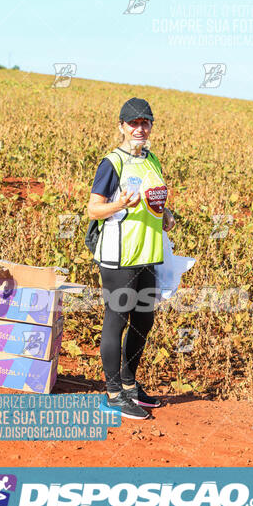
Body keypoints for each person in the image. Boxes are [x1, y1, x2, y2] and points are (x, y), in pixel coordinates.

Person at [87, 97, 175, 420]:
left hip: (148, 254)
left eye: (145, 123)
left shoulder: (152, 161)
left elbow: (155, 201)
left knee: (143, 321)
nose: (140, 128)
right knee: (117, 319)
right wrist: (118, 204)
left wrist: (166, 215)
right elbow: (93, 208)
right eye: (133, 123)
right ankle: (112, 395)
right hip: (118, 257)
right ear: (121, 127)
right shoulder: (112, 164)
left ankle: (129, 385)